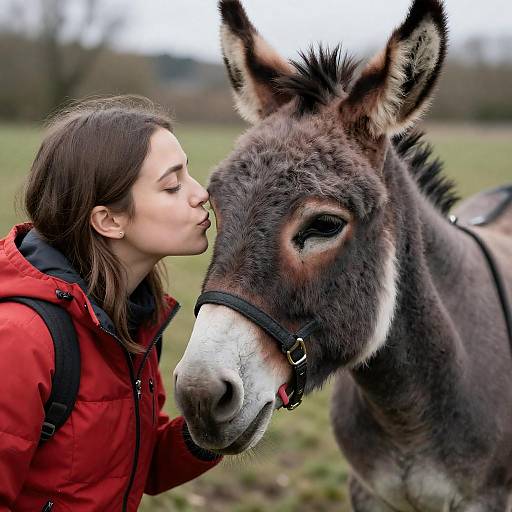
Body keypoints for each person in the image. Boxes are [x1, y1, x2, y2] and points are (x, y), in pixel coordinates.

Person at [0, 96, 221, 511]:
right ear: (109, 220)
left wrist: (216, 424)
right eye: (172, 185)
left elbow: (137, 464)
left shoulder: (132, 317)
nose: (201, 194)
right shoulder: (19, 341)